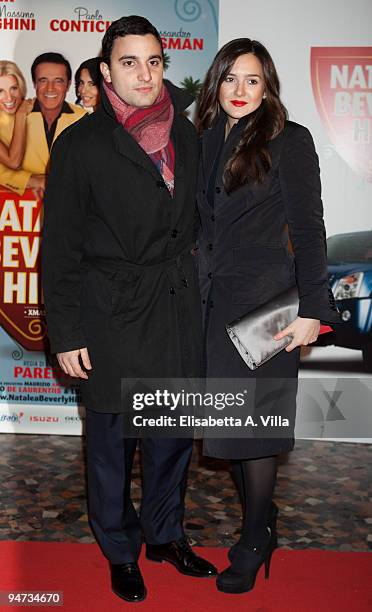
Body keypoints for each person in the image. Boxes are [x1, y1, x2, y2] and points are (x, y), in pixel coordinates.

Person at [42, 15, 216, 604]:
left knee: (170, 438)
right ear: (105, 69)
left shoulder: (186, 135)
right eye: (129, 62)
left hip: (173, 309)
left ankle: (164, 534)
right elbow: (59, 248)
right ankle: (119, 550)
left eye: (154, 61)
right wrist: (65, 331)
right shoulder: (81, 144)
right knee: (113, 447)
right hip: (111, 314)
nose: (144, 74)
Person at [196, 38, 340, 595]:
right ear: (216, 83)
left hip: (268, 311)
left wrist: (313, 309)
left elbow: (309, 229)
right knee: (228, 432)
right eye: (230, 78)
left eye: (251, 80)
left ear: (268, 85)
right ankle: (266, 521)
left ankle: (255, 540)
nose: (239, 90)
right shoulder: (206, 139)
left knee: (254, 434)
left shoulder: (290, 141)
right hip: (212, 307)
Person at [0, 52, 86, 196]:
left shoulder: (84, 120)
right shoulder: (12, 118)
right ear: (34, 84)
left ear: (69, 84)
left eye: (58, 81)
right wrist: (29, 180)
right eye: (43, 80)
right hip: (19, 213)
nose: (50, 88)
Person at [0, 61, 36, 187]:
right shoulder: (22, 114)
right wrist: (20, 115)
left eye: (13, 88)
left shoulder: (35, 112)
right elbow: (13, 161)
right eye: (1, 91)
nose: (9, 98)